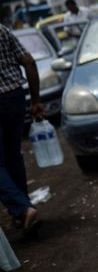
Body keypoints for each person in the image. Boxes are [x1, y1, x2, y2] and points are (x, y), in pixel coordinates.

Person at [0, 24, 43, 237]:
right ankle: (23, 215)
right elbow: (29, 61)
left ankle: (22, 209)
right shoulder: (2, 30)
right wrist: (35, 99)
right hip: (14, 98)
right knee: (12, 157)